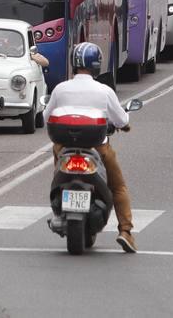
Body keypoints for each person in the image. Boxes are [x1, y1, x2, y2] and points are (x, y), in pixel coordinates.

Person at [42, 42, 136, 254]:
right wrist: (126, 125)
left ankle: (59, 201)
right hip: (98, 149)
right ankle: (126, 232)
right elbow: (121, 119)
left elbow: (45, 116)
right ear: (96, 65)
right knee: (118, 186)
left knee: (57, 165)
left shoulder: (60, 88)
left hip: (64, 149)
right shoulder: (104, 91)